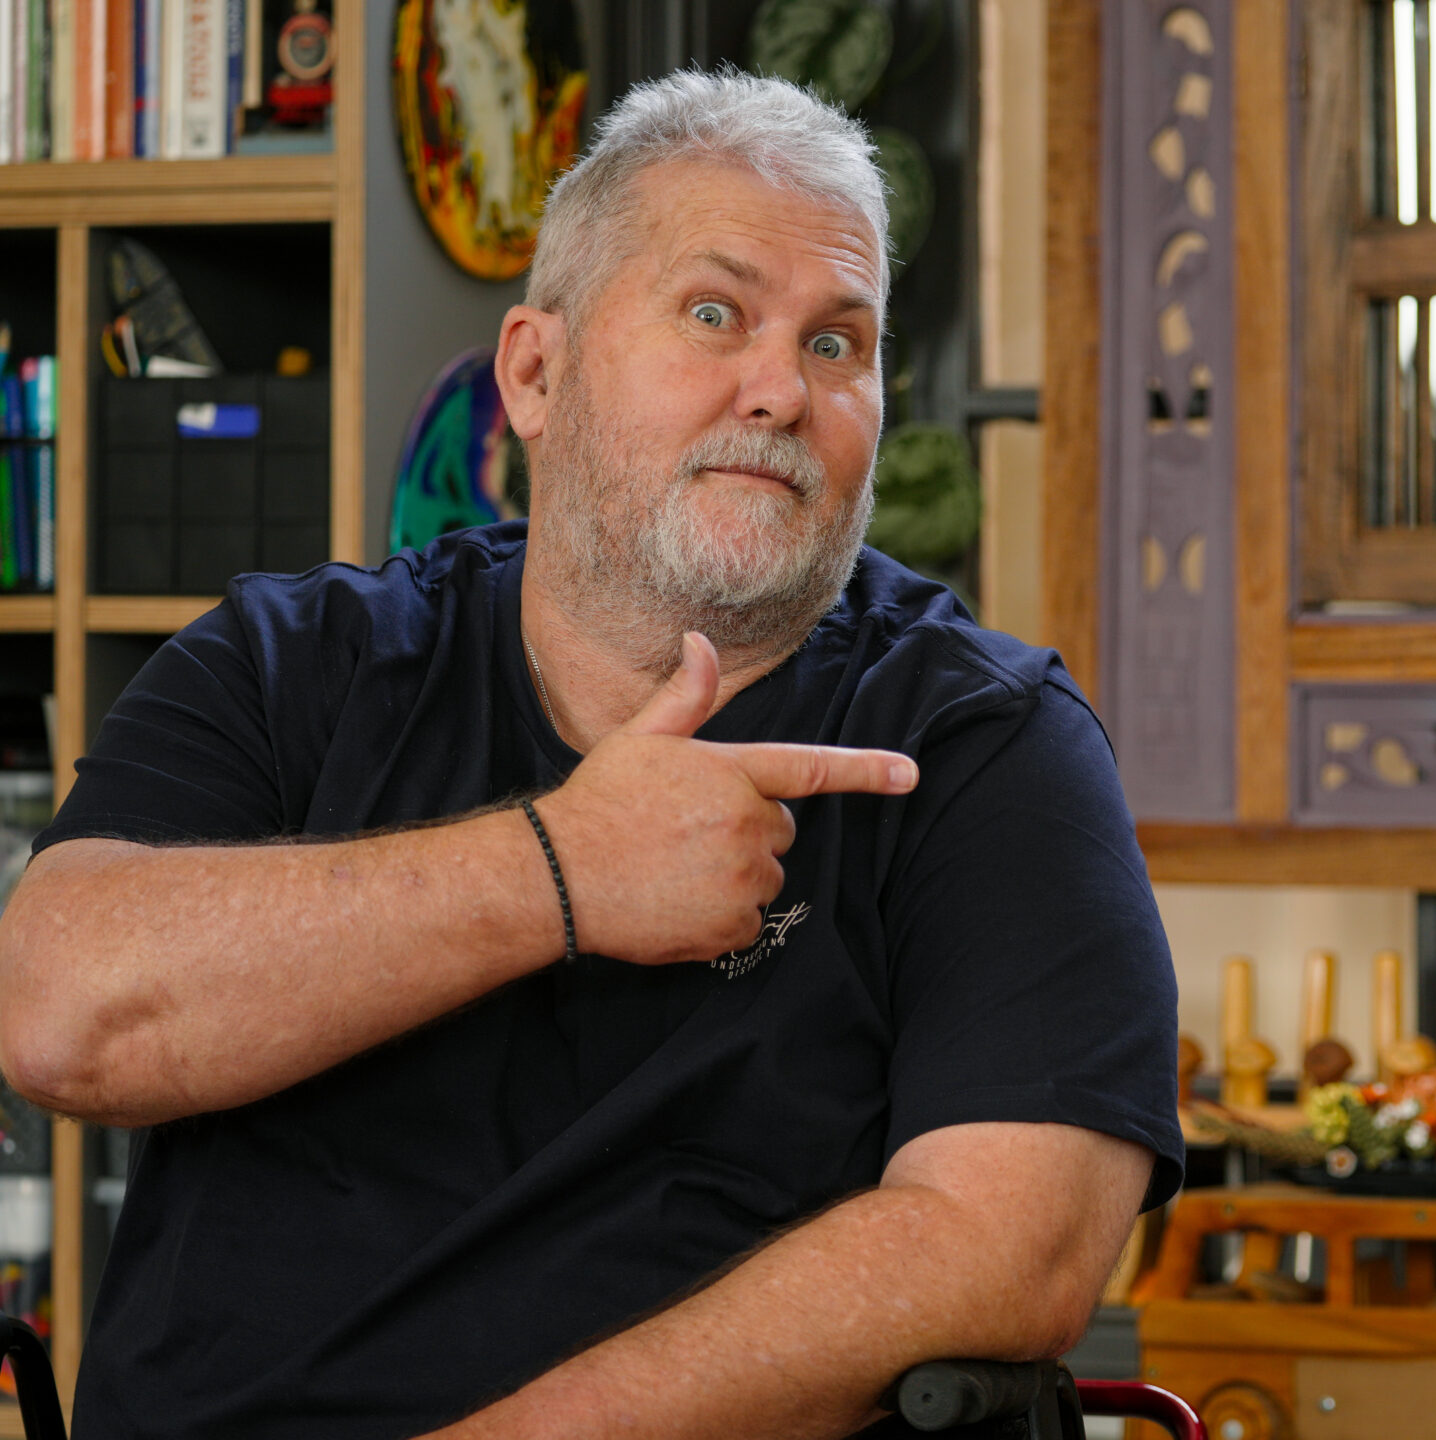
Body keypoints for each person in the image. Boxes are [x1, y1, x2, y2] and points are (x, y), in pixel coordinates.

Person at [0, 70, 1182, 1439]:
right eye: (714, 313)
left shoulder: (987, 744)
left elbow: (1015, 1247)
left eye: (836, 343)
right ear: (535, 373)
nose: (781, 391)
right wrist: (557, 870)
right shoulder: (292, 663)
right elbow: (59, 1016)